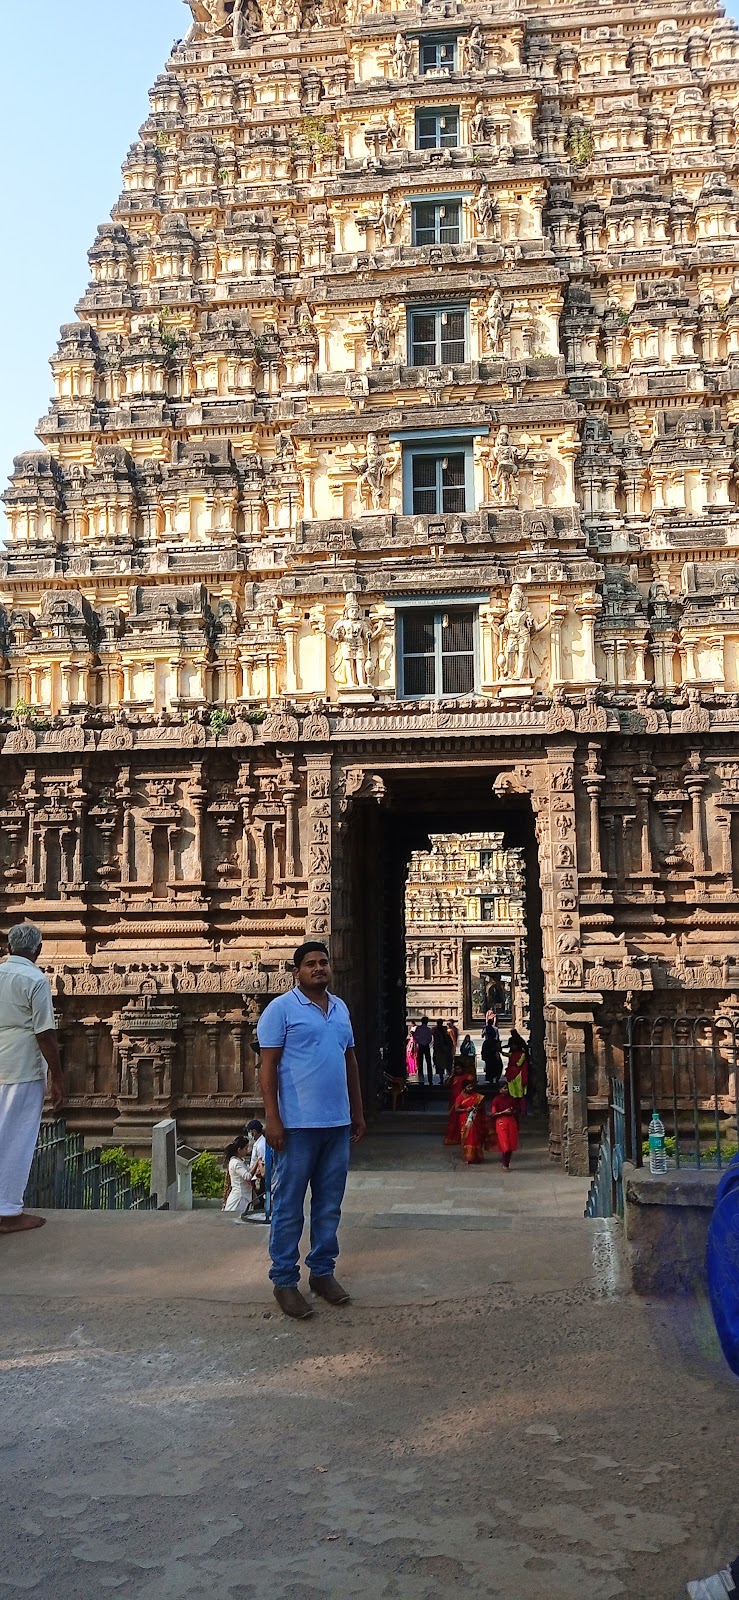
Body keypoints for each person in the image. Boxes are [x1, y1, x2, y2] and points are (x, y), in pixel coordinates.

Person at [257, 941, 366, 1320]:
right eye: (310, 964)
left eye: (323, 962)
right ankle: (284, 1280)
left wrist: (358, 1110)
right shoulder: (281, 1010)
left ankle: (322, 1272)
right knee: (288, 1206)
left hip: (336, 1123)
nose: (318, 968)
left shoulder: (340, 1009)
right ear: (296, 972)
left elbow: (349, 1059)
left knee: (328, 1204)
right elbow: (267, 1067)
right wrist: (273, 1119)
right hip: (298, 1125)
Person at [0, 923, 63, 1234]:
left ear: (10, 947)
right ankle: (9, 1213)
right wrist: (58, 1077)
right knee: (17, 1138)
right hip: (22, 1067)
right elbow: (45, 1034)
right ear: (37, 949)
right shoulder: (34, 979)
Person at [453, 1078, 489, 1164]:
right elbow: (456, 1109)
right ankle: (469, 1157)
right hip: (465, 1120)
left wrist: (476, 1108)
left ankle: (477, 1156)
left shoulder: (477, 1096)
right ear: (464, 1088)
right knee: (467, 1138)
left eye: (471, 1087)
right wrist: (466, 1109)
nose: (470, 1088)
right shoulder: (460, 1097)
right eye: (468, 1087)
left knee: (476, 1137)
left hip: (476, 1119)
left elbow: (482, 1107)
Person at [489, 1078, 520, 1170]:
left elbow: (516, 1110)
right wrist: (503, 1112)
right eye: (503, 1088)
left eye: (506, 1088)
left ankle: (506, 1163)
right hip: (501, 1122)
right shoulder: (496, 1100)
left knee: (510, 1144)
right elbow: (494, 1113)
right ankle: (504, 1162)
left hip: (511, 1122)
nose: (505, 1090)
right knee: (505, 1143)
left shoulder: (512, 1099)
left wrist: (512, 1111)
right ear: (499, 1090)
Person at [222, 1133, 253, 1217]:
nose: (247, 1151)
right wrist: (257, 1163)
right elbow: (247, 1176)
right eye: (246, 1148)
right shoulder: (235, 1163)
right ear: (239, 1150)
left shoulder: (240, 1161)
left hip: (245, 1195)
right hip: (240, 1197)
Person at [506, 1029, 530, 1119]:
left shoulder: (522, 1054)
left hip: (518, 1074)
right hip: (512, 1074)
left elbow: (519, 1063)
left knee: (520, 1094)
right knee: (513, 1094)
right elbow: (508, 1055)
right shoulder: (513, 1053)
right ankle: (516, 1109)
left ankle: (522, 1110)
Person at [247, 1118, 267, 1210]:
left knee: (258, 1204)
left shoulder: (261, 1145)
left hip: (259, 1178)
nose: (249, 1135)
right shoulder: (258, 1143)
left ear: (254, 1131)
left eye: (249, 1132)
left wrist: (258, 1179)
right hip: (255, 1177)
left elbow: (262, 1163)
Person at [481, 1011, 503, 1088]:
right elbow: (497, 1037)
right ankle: (496, 1078)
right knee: (497, 1065)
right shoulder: (495, 1029)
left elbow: (482, 1035)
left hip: (488, 1048)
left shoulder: (485, 1028)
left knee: (489, 1066)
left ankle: (490, 1079)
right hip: (493, 1047)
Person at [412, 1016, 433, 1087]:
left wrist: (418, 1041)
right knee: (428, 1061)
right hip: (426, 1045)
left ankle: (421, 1075)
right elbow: (430, 1038)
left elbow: (414, 1036)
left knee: (420, 1061)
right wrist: (427, 1042)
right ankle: (430, 1077)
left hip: (420, 1045)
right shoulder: (428, 1029)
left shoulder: (418, 1028)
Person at [432, 1019, 454, 1084]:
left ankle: (444, 1079)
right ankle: (448, 1079)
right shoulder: (443, 1031)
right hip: (444, 1051)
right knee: (446, 1066)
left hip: (441, 1051)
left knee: (442, 1066)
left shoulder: (437, 1031)